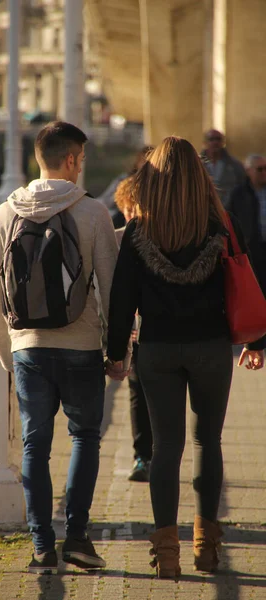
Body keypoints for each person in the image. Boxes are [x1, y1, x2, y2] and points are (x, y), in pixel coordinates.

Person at [105, 137, 265, 579]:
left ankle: (167, 556)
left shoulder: (138, 230)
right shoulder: (223, 223)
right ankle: (207, 549)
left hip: (156, 349)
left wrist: (115, 354)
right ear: (200, 176)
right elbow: (248, 282)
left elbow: (121, 299)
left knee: (165, 448)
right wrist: (256, 342)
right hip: (211, 346)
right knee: (206, 442)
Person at [0, 121, 118, 575]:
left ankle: (42, 545)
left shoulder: (6, 212)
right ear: (74, 159)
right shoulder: (94, 213)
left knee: (35, 446)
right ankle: (77, 539)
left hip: (28, 350)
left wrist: (9, 355)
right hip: (80, 347)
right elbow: (110, 290)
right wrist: (118, 353)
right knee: (84, 437)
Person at [114, 175, 153, 482]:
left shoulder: (157, 236)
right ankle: (143, 455)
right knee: (137, 392)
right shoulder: (117, 238)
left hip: (157, 330)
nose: (129, 217)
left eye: (133, 209)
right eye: (125, 211)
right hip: (135, 333)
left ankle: (156, 456)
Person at [227, 154, 266, 294]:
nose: (264, 173)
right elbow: (230, 219)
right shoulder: (239, 194)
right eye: (260, 169)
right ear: (248, 171)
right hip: (251, 249)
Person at [97, 146, 154, 228]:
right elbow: (105, 201)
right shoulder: (123, 180)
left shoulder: (156, 187)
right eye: (143, 161)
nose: (146, 165)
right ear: (138, 162)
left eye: (150, 162)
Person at [200, 129, 246, 207]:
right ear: (205, 143)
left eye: (218, 139)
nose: (215, 142)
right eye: (211, 139)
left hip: (229, 211)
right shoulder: (198, 165)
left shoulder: (234, 165)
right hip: (204, 209)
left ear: (223, 142)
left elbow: (243, 189)